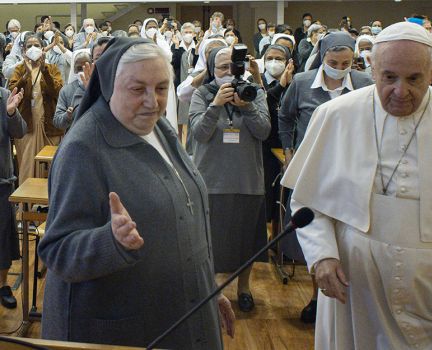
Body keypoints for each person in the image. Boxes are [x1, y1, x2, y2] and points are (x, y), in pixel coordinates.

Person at [281, 21, 432, 349]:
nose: (400, 91)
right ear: (371, 67)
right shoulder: (334, 115)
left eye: (414, 79)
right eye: (389, 77)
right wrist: (322, 256)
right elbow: (309, 201)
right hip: (355, 298)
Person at [38, 38, 235, 348]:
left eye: (160, 88)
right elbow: (57, 250)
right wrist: (110, 241)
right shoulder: (82, 149)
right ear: (108, 87)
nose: (152, 102)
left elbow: (186, 216)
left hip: (181, 309)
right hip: (124, 327)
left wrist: (208, 288)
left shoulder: (159, 128)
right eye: (137, 89)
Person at [278, 32, 373, 323]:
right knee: (317, 233)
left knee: (345, 233)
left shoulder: (364, 84)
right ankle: (317, 295)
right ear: (323, 57)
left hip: (351, 167)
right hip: (314, 165)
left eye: (346, 63)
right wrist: (289, 151)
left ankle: (348, 296)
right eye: (333, 62)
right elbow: (285, 116)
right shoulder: (304, 82)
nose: (339, 67)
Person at [189, 47, 271, 312]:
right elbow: (199, 133)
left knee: (245, 239)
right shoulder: (202, 94)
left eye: (233, 67)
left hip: (247, 180)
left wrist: (246, 107)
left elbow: (264, 131)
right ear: (212, 69)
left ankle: (244, 288)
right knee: (210, 240)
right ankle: (212, 290)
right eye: (222, 67)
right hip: (211, 179)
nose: (228, 72)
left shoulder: (254, 92)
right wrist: (215, 106)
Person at [8, 34, 63, 184]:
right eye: (29, 46)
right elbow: (11, 92)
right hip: (27, 127)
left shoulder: (52, 68)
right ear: (24, 51)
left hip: (49, 127)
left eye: (37, 45)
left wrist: (44, 70)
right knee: (27, 168)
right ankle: (26, 205)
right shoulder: (19, 69)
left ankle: (51, 205)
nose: (33, 48)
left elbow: (57, 92)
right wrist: (26, 74)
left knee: (52, 169)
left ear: (43, 48)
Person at [261, 44, 294, 233]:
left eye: (279, 59)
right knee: (267, 190)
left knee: (284, 195)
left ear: (288, 62)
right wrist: (280, 85)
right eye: (270, 58)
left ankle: (280, 238)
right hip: (263, 145)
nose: (274, 62)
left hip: (286, 146)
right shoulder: (255, 81)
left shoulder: (295, 82)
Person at [0, 86, 25, 309]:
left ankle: (3, 284)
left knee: (3, 237)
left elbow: (20, 132)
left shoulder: (4, 96)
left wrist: (10, 113)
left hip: (1, 183)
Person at [172, 22, 198, 139]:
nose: (188, 34)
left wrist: (196, 52)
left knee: (192, 115)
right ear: (181, 34)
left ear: (194, 34)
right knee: (179, 115)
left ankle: (190, 145)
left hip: (194, 84)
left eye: (190, 32)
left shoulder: (197, 46)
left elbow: (199, 65)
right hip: (179, 82)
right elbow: (175, 65)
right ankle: (178, 142)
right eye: (185, 32)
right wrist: (177, 47)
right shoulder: (176, 45)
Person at [53, 49, 91, 130]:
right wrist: (67, 116)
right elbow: (57, 121)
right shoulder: (66, 91)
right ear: (74, 69)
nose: (82, 71)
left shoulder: (101, 86)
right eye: (79, 68)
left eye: (86, 67)